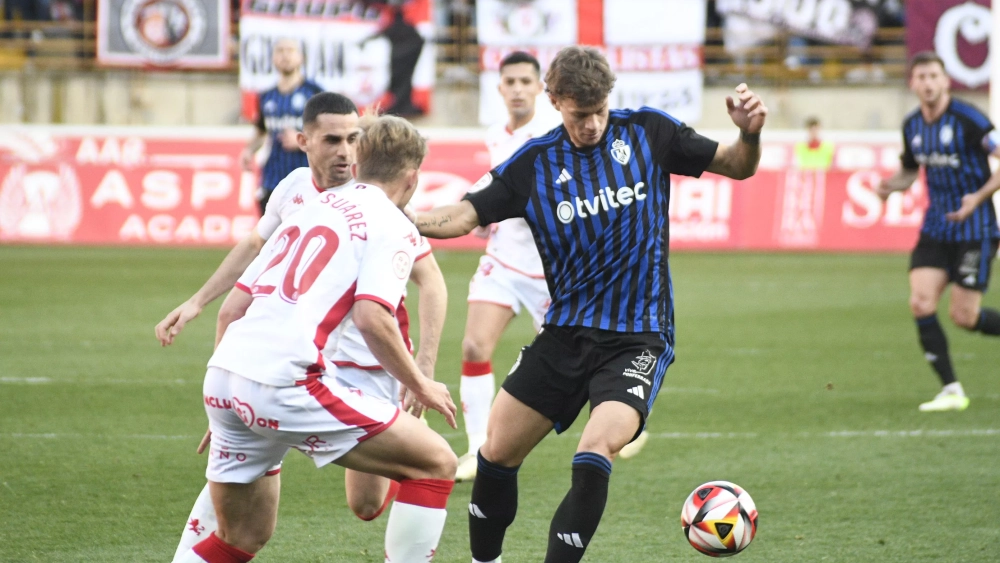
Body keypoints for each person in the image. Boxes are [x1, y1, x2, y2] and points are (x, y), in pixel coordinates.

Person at [412, 46, 767, 563]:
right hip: (564, 334)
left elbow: (736, 165)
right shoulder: (534, 163)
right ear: (555, 101)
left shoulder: (649, 132)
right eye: (581, 114)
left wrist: (749, 135)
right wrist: (404, 218)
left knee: (595, 448)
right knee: (496, 451)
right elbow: (465, 215)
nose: (593, 124)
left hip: (638, 338)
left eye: (600, 110)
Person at [158, 93, 448, 559]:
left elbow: (234, 307)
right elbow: (372, 317)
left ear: (360, 160)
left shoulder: (310, 206)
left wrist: (229, 393)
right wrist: (422, 383)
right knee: (436, 462)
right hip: (288, 381)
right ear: (412, 179)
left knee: (242, 536)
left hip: (226, 376)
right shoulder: (392, 224)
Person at [877, 51, 1000, 412]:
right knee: (920, 302)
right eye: (922, 77)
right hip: (936, 228)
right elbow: (910, 171)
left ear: (946, 81)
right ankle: (951, 390)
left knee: (964, 317)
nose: (928, 83)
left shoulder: (969, 119)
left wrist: (977, 198)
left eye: (934, 76)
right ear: (912, 83)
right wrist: (890, 186)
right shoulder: (912, 126)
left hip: (975, 229)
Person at [455, 51, 554, 482]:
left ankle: (621, 418)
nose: (517, 89)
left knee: (568, 360)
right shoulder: (496, 134)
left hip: (551, 268)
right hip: (504, 260)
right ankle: (478, 448)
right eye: (509, 82)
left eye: (524, 82)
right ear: (499, 88)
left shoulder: (551, 133)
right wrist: (485, 214)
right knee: (474, 347)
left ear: (539, 88)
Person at [242, 38, 324, 215]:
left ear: (300, 57)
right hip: (273, 179)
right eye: (280, 51)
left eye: (290, 50)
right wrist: (249, 150)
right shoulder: (266, 96)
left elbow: (329, 133)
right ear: (273, 58)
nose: (285, 55)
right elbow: (262, 130)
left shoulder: (315, 93)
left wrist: (302, 141)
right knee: (269, 230)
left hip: (306, 180)